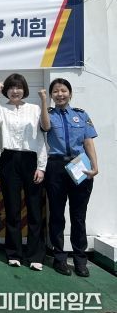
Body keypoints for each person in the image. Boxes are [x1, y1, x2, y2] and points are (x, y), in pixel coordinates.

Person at [0, 73, 48, 270]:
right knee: (12, 208)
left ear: (24, 90)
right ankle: (14, 253)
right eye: (11, 88)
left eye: (19, 87)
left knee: (34, 209)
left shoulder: (34, 108)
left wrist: (41, 167)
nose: (15, 91)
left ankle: (35, 255)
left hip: (31, 159)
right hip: (9, 159)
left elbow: (41, 138)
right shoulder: (2, 108)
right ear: (6, 90)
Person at [43, 78, 99, 277]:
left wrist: (95, 166)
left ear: (70, 93)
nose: (60, 94)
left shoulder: (81, 115)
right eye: (56, 91)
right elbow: (44, 128)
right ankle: (59, 258)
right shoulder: (48, 115)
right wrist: (43, 102)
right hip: (56, 166)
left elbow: (88, 142)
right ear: (51, 95)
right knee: (57, 215)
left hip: (79, 165)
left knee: (78, 216)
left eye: (63, 90)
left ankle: (80, 260)